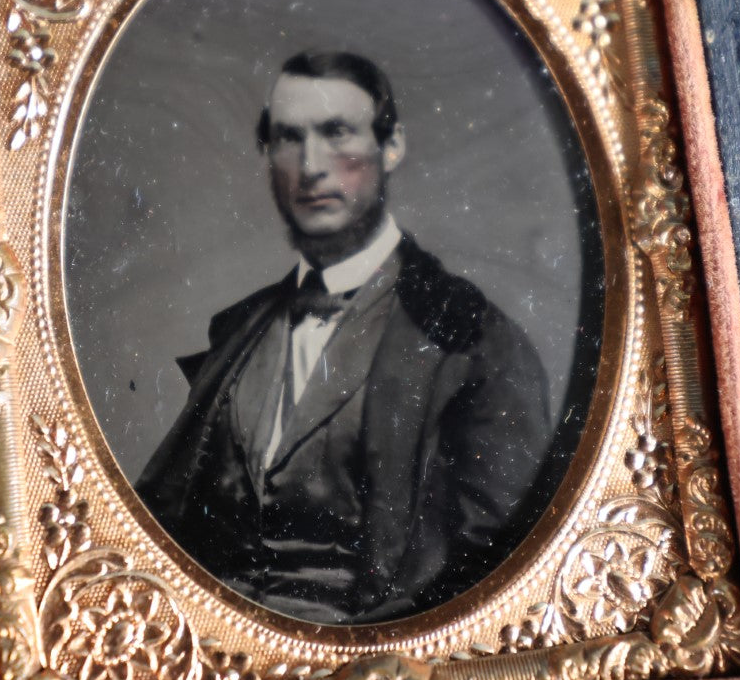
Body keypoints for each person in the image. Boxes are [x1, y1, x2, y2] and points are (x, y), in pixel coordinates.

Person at [135, 51, 553, 624]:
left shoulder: (472, 338)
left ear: (392, 145)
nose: (311, 165)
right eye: (288, 138)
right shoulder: (239, 332)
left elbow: (502, 564)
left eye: (336, 133)